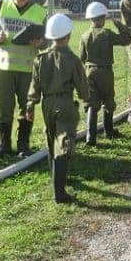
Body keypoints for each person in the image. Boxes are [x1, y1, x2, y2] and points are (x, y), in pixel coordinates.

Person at [26, 13, 89, 203]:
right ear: (68, 36)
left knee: (51, 140)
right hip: (65, 104)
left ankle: (56, 180)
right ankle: (59, 192)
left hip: (46, 104)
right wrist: (87, 100)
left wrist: (30, 105)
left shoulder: (41, 58)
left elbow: (34, 85)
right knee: (64, 144)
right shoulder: (72, 59)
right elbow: (83, 88)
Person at [0, 0, 47, 158]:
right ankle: (3, 144)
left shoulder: (39, 12)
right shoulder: (0, 7)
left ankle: (23, 144)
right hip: (5, 68)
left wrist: (40, 43)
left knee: (27, 106)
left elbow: (48, 39)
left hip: (28, 69)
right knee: (4, 106)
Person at [79, 1, 131, 146]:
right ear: (102, 18)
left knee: (92, 103)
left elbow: (82, 57)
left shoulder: (84, 36)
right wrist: (119, 25)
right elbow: (127, 39)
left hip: (89, 71)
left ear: (90, 18)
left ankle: (91, 137)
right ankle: (109, 131)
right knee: (108, 100)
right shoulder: (107, 34)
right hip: (106, 72)